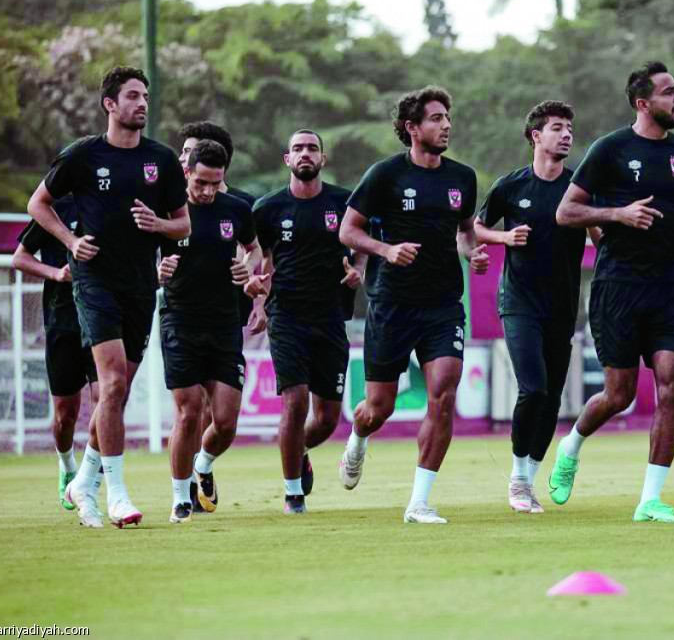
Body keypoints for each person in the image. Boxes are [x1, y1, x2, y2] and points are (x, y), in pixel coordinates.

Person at [26, 66, 190, 528]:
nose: (142, 104)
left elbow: (183, 224)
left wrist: (159, 225)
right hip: (94, 281)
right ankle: (115, 493)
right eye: (133, 96)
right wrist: (70, 240)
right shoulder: (83, 155)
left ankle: (83, 481)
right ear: (110, 104)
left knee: (117, 393)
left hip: (141, 285)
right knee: (112, 383)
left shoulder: (161, 160)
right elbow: (37, 203)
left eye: (145, 97)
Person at [550, 60, 674, 524]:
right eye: (668, 92)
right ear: (642, 103)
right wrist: (617, 214)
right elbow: (565, 212)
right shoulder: (611, 149)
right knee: (619, 395)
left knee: (672, 386)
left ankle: (650, 500)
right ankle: (571, 444)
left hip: (668, 288)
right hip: (617, 286)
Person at [338, 86, 489, 524]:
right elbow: (348, 231)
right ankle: (359, 437)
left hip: (443, 305)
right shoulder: (384, 175)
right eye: (436, 118)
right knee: (378, 408)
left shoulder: (462, 177)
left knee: (443, 393)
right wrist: (385, 250)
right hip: (392, 305)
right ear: (412, 127)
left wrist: (472, 253)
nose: (446, 125)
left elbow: (465, 230)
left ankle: (419, 502)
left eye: (447, 117)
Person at [474, 100, 587, 513]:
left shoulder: (579, 188)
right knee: (533, 387)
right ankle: (518, 478)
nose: (567, 134)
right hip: (519, 302)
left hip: (563, 307)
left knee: (552, 398)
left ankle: (531, 478)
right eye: (557, 127)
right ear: (536, 136)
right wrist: (503, 239)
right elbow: (476, 227)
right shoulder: (510, 186)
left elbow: (600, 233)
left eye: (570, 127)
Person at [250, 130, 362, 515]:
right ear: (287, 159)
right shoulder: (267, 209)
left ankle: (297, 451)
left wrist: (359, 271)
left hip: (330, 318)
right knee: (294, 401)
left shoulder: (344, 202)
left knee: (327, 419)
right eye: (297, 148)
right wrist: (257, 298)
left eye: (312, 148)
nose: (305, 154)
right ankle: (293, 494)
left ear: (322, 158)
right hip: (287, 317)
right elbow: (257, 258)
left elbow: (363, 246)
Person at [157, 139, 261, 523]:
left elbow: (254, 248)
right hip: (180, 321)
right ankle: (180, 498)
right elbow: (144, 253)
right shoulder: (167, 210)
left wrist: (247, 266)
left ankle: (203, 463)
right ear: (187, 172)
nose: (206, 191)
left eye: (215, 183)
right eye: (200, 182)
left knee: (226, 422)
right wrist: (158, 270)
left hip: (224, 324)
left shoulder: (236, 210)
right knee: (188, 412)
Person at [11, 196, 101, 517]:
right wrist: (56, 274)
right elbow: (19, 258)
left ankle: (89, 479)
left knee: (107, 400)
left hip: (102, 320)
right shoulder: (55, 210)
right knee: (66, 415)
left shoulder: (109, 202)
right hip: (62, 322)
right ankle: (67, 465)